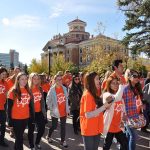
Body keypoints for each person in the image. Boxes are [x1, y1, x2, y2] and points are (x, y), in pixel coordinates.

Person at [80, 72, 112, 150]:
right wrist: (104, 107)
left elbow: (97, 108)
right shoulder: (87, 95)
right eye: (97, 79)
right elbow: (88, 115)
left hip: (96, 128)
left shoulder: (95, 93)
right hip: (89, 129)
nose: (99, 81)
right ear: (91, 81)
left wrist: (106, 103)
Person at [7, 72, 34, 150]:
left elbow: (29, 106)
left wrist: (31, 116)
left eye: (26, 79)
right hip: (16, 119)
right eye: (22, 79)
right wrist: (10, 121)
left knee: (19, 137)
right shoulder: (13, 91)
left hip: (25, 118)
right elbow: (9, 108)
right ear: (18, 80)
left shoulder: (28, 90)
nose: (24, 81)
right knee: (20, 138)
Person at [102, 76, 128, 150]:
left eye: (117, 83)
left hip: (119, 125)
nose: (116, 85)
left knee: (124, 144)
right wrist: (121, 86)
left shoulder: (120, 94)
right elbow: (116, 98)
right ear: (109, 85)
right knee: (107, 145)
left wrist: (125, 114)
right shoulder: (106, 95)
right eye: (113, 83)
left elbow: (123, 107)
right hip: (110, 125)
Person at [46, 72, 70, 148]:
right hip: (55, 111)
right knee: (54, 126)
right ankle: (49, 136)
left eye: (60, 80)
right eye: (58, 80)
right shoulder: (52, 90)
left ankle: (62, 141)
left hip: (63, 111)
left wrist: (67, 109)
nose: (59, 81)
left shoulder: (64, 88)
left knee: (63, 127)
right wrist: (52, 108)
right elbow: (48, 101)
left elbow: (66, 99)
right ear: (55, 80)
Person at [122, 69, 144, 150]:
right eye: (134, 76)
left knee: (128, 136)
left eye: (138, 76)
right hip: (128, 118)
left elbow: (136, 103)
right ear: (129, 77)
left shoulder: (136, 88)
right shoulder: (125, 89)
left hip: (135, 116)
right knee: (133, 137)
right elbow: (121, 103)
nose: (137, 78)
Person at [28, 73, 46, 150]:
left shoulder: (40, 88)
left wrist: (44, 112)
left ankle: (37, 142)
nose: (36, 80)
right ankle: (31, 145)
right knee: (31, 130)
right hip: (31, 113)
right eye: (34, 78)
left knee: (42, 129)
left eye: (37, 79)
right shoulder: (28, 89)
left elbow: (42, 101)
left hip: (39, 112)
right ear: (31, 79)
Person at [0, 67, 8, 147]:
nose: (4, 76)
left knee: (3, 125)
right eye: (3, 74)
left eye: (5, 74)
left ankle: (2, 141)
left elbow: (6, 94)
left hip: (2, 107)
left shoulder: (5, 83)